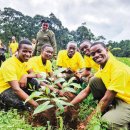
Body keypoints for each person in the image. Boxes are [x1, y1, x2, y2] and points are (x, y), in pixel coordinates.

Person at [66, 42, 130, 130]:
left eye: (99, 51)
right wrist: (68, 106)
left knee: (106, 122)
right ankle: (110, 109)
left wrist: (87, 122)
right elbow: (85, 91)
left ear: (107, 50)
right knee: (94, 81)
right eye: (93, 54)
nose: (96, 55)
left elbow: (106, 99)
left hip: (127, 102)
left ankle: (124, 123)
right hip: (117, 97)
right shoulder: (102, 67)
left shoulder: (118, 69)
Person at [0, 39, 39, 110]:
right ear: (18, 50)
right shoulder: (9, 64)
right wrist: (36, 105)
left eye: (30, 52)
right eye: (24, 51)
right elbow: (16, 89)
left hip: (18, 85)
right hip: (5, 89)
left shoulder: (25, 61)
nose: (28, 54)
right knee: (19, 105)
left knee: (34, 82)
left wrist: (25, 76)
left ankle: (29, 101)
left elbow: (34, 74)